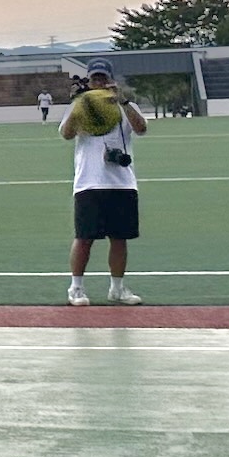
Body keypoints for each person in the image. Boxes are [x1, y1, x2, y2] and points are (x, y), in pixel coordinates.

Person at [60, 61, 147, 306]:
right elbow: (66, 134)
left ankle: (117, 288)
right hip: (89, 182)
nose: (99, 83)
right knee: (84, 237)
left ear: (111, 80)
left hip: (122, 182)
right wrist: (79, 104)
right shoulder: (81, 105)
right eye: (94, 79)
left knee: (119, 238)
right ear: (89, 81)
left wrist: (123, 101)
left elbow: (141, 128)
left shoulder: (124, 105)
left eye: (103, 79)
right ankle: (76, 287)